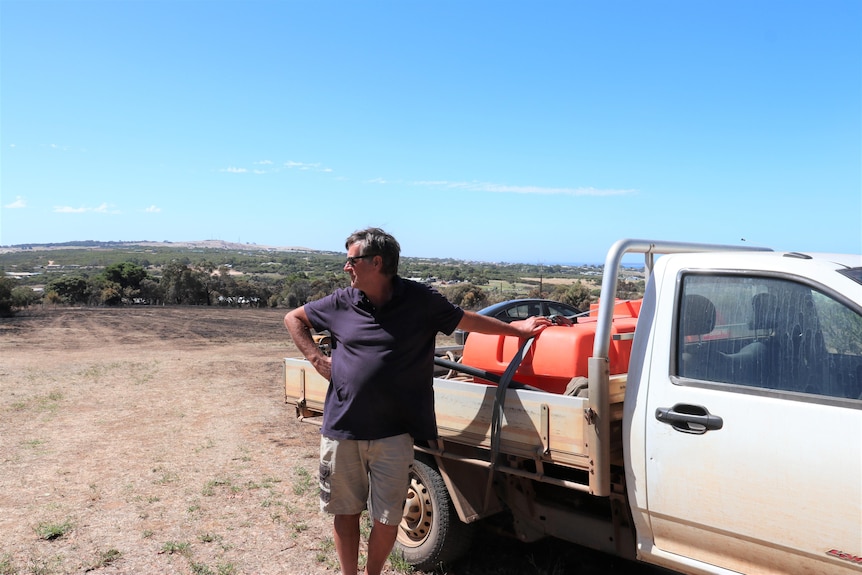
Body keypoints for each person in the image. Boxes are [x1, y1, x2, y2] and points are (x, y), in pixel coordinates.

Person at [284, 227, 550, 575]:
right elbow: (294, 319)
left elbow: (467, 320)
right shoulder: (339, 302)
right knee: (344, 511)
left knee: (388, 516)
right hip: (343, 428)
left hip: (395, 432)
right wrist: (318, 360)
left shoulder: (421, 300)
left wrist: (519, 330)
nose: (346, 268)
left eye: (351, 260)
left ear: (376, 262)